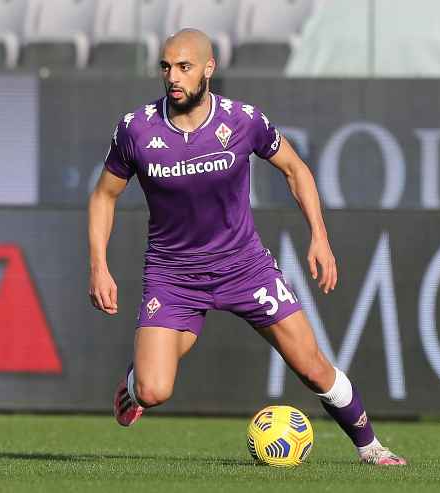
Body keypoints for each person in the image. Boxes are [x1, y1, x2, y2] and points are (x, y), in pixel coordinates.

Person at [88, 29, 406, 465]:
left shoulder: (242, 120)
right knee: (153, 389)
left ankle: (371, 448)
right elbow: (104, 195)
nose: (173, 77)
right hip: (173, 274)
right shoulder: (136, 129)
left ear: (208, 68)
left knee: (312, 366)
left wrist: (319, 235)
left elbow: (295, 169)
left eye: (184, 67)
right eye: (166, 67)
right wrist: (99, 267)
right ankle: (133, 384)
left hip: (245, 267)